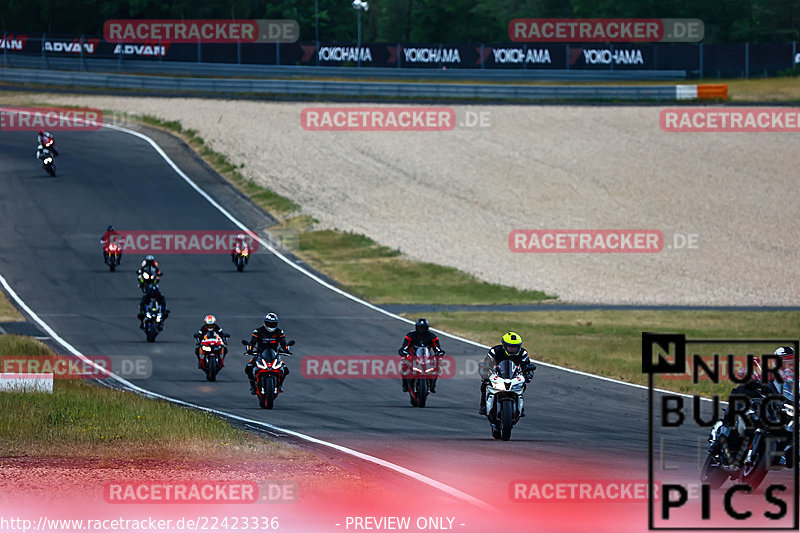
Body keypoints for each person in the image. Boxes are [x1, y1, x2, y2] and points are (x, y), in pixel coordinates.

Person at [709, 346, 794, 455]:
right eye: (785, 361)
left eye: (792, 361)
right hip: (765, 401)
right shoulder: (768, 372)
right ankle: (722, 434)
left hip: (784, 407)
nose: (789, 364)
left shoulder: (795, 379)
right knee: (740, 394)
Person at [478, 331, 535, 415]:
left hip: (513, 376)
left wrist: (528, 374)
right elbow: (486, 363)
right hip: (497, 375)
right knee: (484, 384)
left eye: (516, 347)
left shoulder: (523, 353)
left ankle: (520, 406)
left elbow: (527, 366)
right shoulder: (495, 351)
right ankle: (483, 405)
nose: (513, 349)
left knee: (523, 385)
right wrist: (485, 372)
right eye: (511, 347)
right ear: (504, 345)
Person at [244, 313, 290, 395]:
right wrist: (250, 349)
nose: (271, 325)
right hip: (260, 354)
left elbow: (283, 342)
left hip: (274, 356)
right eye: (270, 323)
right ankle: (253, 386)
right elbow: (252, 342)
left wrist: (286, 349)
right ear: (265, 323)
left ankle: (280, 385)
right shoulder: (258, 331)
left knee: (285, 369)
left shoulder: (279, 332)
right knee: (248, 367)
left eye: (273, 323)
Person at [398, 318, 445, 393]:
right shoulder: (410, 335)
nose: (421, 330)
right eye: (420, 328)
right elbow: (405, 347)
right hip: (413, 356)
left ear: (427, 328)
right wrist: (405, 353)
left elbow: (437, 348)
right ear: (416, 327)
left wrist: (439, 354)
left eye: (423, 328)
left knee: (438, 365)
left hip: (427, 357)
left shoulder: (432, 336)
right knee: (403, 364)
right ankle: (405, 384)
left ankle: (433, 384)